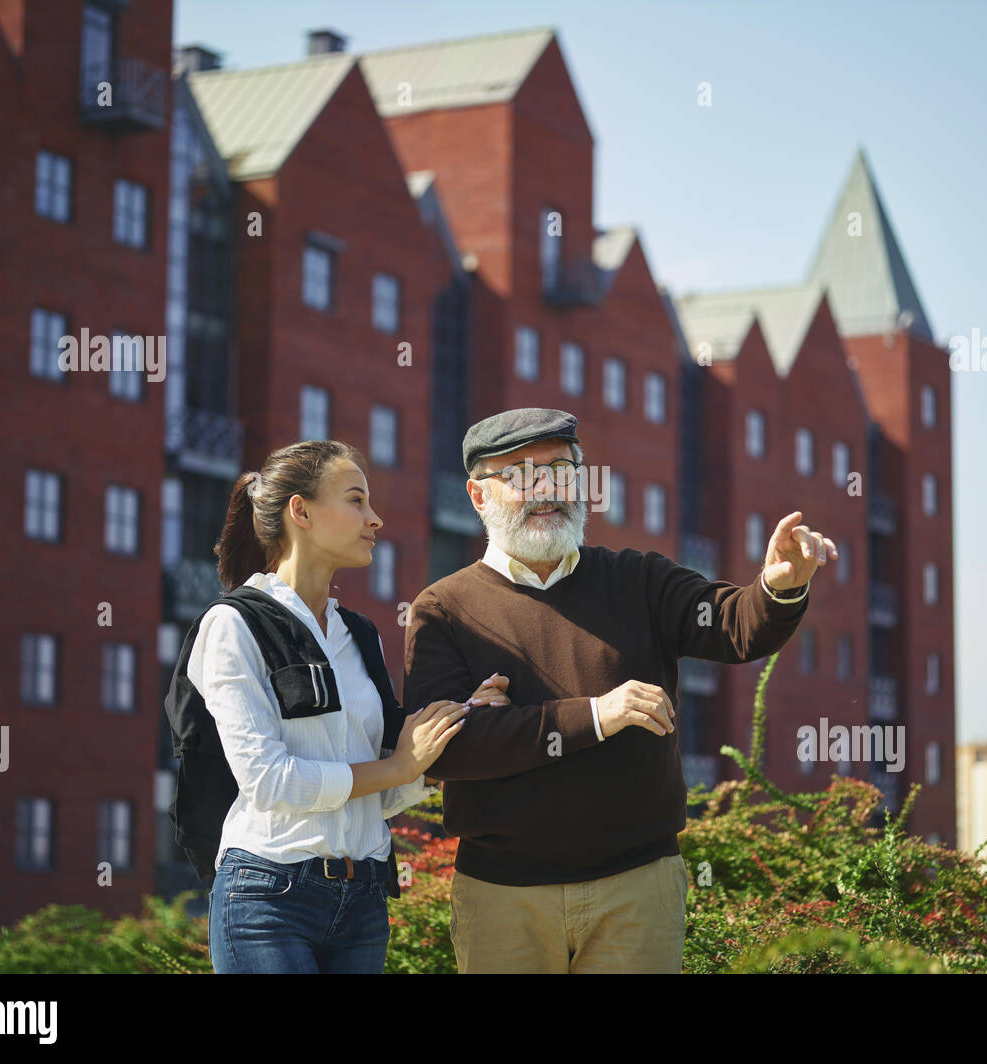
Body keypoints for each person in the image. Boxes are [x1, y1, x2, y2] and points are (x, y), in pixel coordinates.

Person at [403, 408, 836, 973]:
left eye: (560, 470)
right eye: (522, 474)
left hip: (638, 889)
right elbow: (448, 750)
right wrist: (597, 716)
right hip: (502, 895)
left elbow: (734, 625)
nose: (547, 490)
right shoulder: (443, 610)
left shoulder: (639, 579)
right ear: (478, 496)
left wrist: (779, 586)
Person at [193, 438, 509, 973]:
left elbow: (375, 794)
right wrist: (396, 766)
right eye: (356, 500)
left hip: (363, 900)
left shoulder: (359, 635)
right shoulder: (234, 625)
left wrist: (454, 726)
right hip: (269, 895)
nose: (376, 519)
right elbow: (268, 781)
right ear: (302, 511)